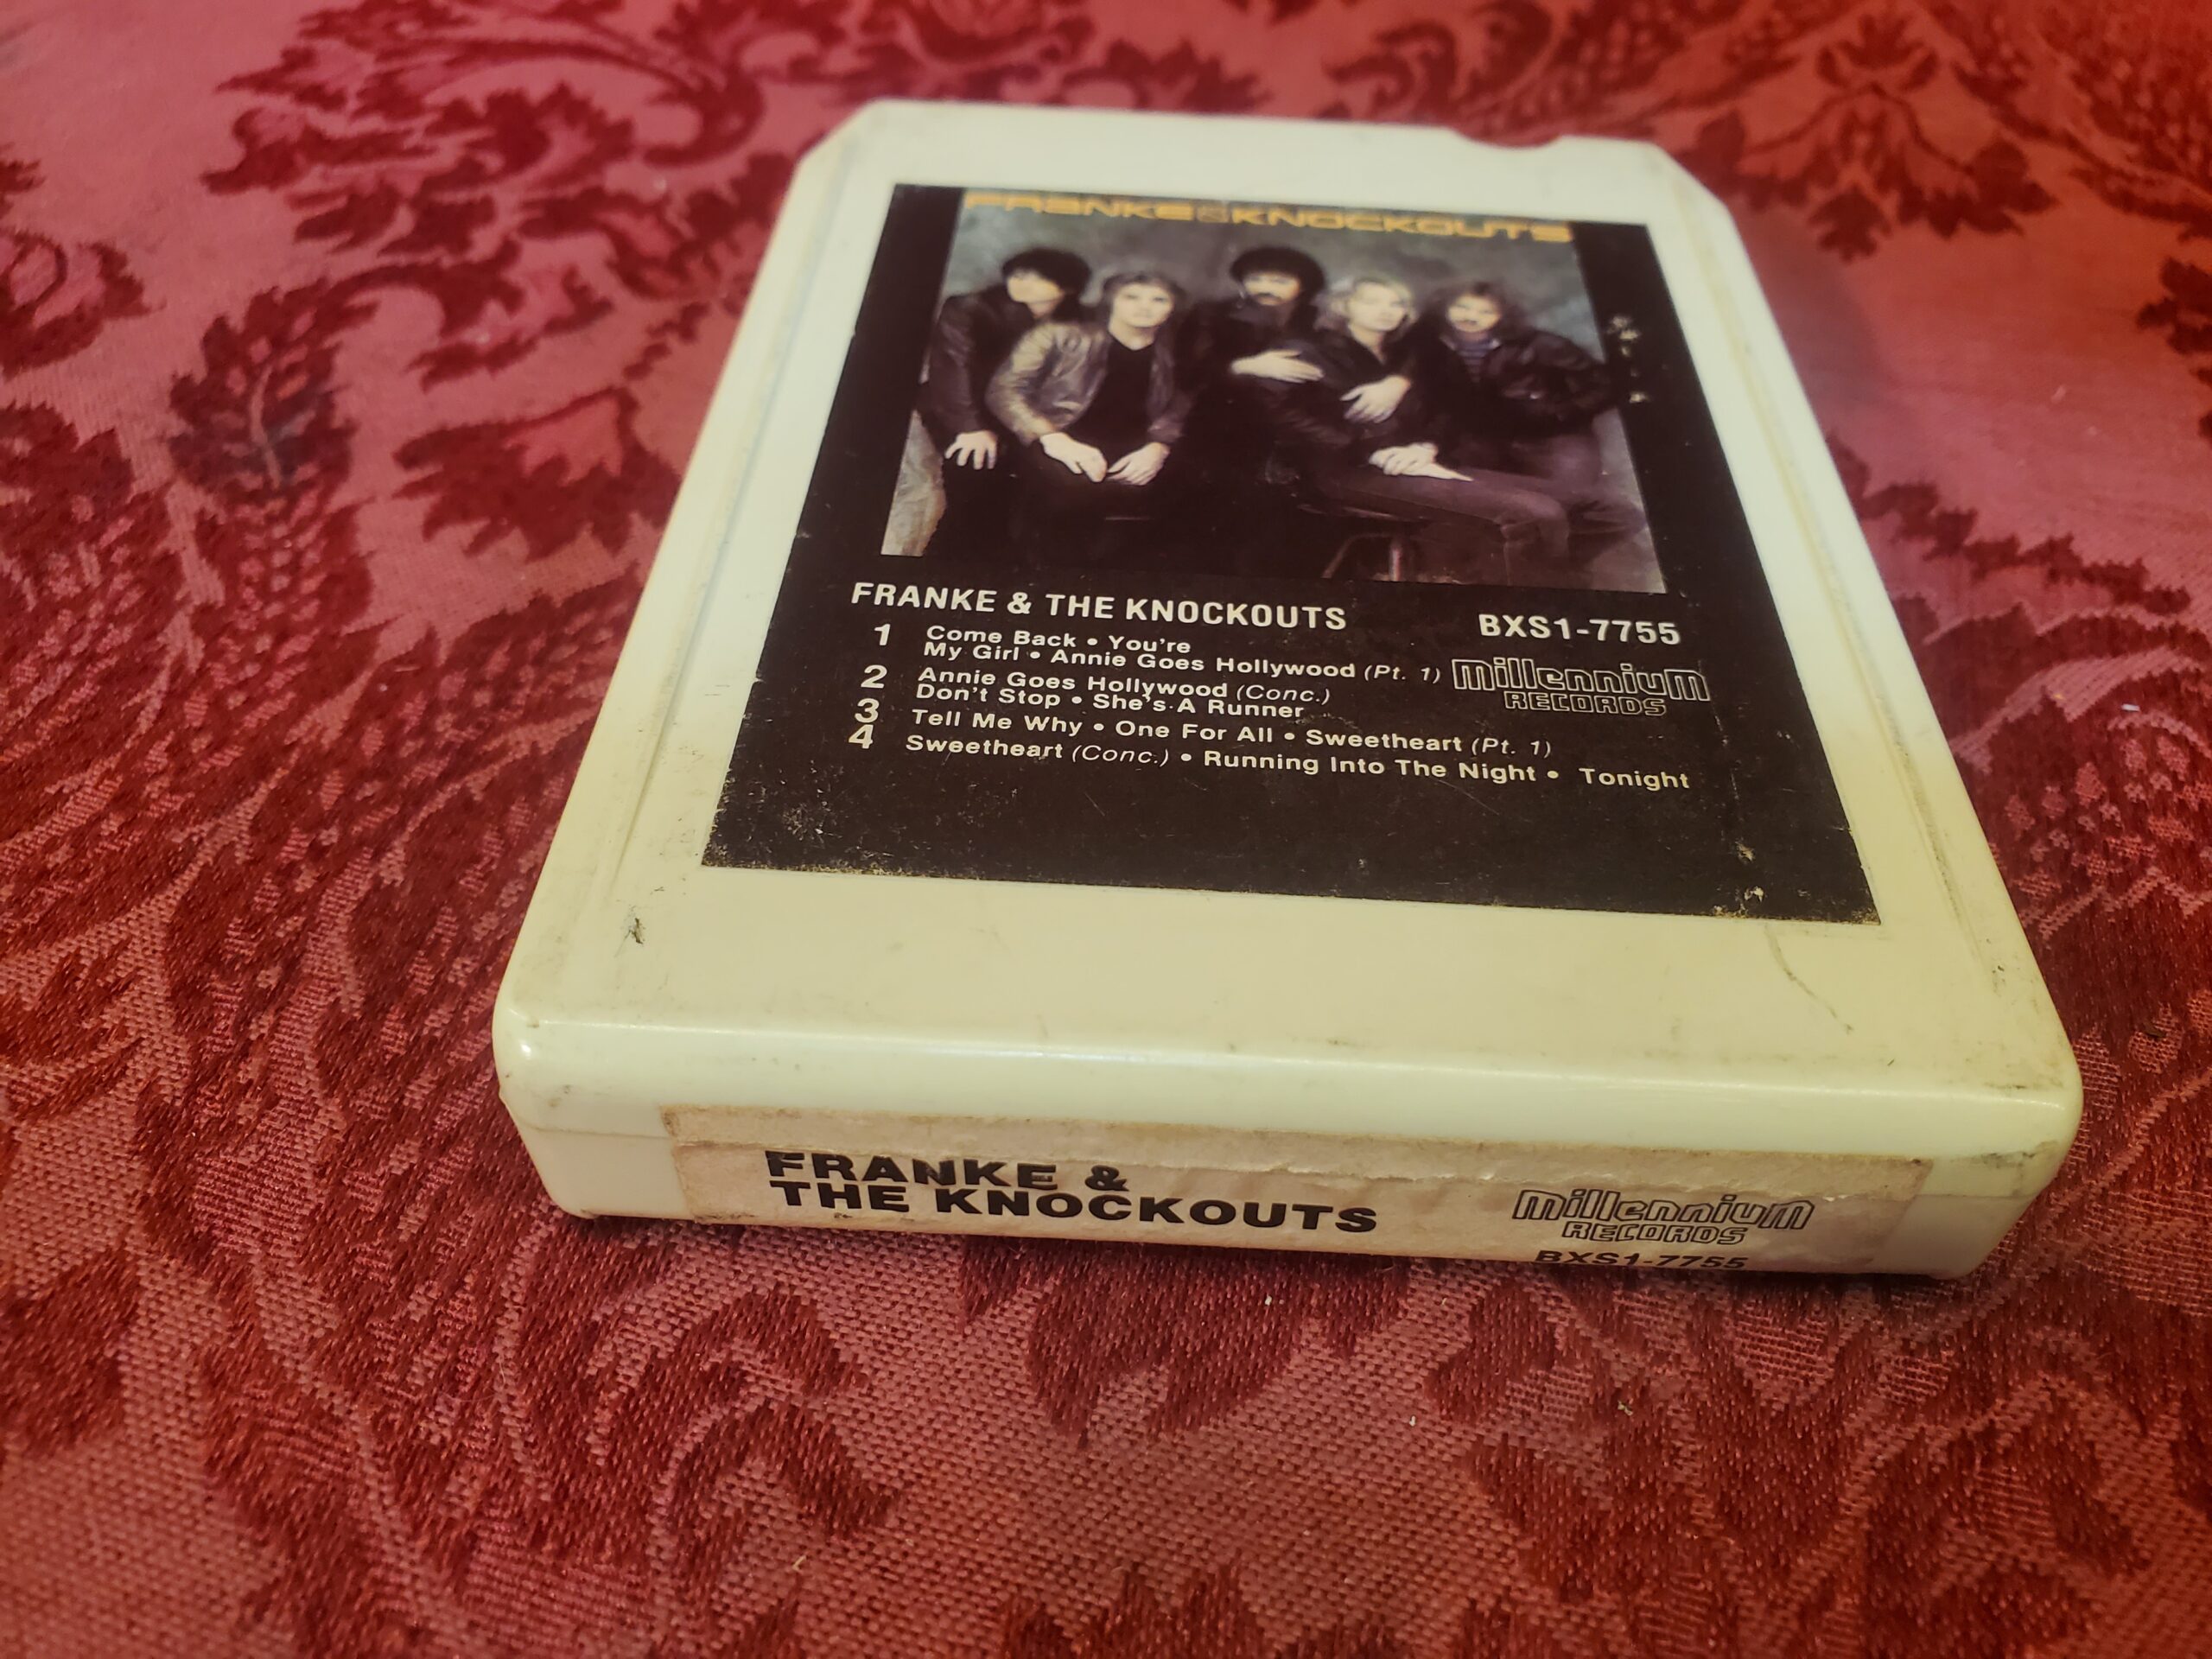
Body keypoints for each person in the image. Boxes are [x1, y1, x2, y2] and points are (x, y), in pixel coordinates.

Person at [1259, 274, 1577, 582]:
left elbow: (1447, 412)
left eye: (1396, 303)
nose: (1385, 310)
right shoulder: (1307, 350)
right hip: (1342, 470)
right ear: (1345, 305)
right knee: (1538, 514)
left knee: (1594, 506)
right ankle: (1530, 602)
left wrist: (1426, 446)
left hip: (1414, 459)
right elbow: (1282, 416)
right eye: (1371, 301)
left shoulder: (1414, 356)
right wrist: (1368, 451)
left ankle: (1551, 590)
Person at [1419, 281, 1643, 563]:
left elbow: (1608, 384)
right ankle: (1497, 565)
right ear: (1445, 307)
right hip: (1486, 437)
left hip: (1554, 437)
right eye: (1462, 307)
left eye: (1485, 311)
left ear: (1503, 316)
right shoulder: (1432, 347)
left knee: (1574, 505)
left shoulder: (1543, 344)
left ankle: (1560, 567)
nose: (1471, 317)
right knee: (1471, 498)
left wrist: (1558, 413)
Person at [987, 270, 1192, 567]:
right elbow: (1004, 390)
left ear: (1172, 308)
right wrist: (1052, 437)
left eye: (1158, 299)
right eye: (1131, 297)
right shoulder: (1059, 335)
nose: (1144, 307)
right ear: (1110, 301)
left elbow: (1180, 403)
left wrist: (1158, 446)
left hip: (1137, 448)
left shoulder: (1174, 352)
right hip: (1057, 437)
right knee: (1070, 497)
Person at [917, 247, 1091, 556]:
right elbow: (953, 368)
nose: (1022, 282)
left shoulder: (1083, 319)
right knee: (975, 469)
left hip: (1028, 413)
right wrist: (970, 427)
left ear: (1068, 287)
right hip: (965, 407)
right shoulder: (970, 308)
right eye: (1018, 274)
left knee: (1052, 482)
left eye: (1037, 278)